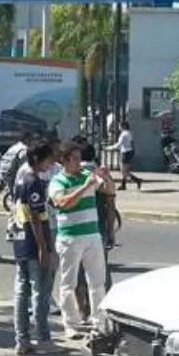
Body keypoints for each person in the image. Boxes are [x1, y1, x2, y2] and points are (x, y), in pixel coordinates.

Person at [49, 141, 115, 339]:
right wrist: (83, 188)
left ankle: (98, 322)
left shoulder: (87, 175)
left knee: (97, 282)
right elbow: (62, 203)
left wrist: (107, 177)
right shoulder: (58, 181)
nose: (79, 163)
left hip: (92, 235)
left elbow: (109, 191)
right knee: (68, 283)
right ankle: (71, 323)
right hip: (69, 238)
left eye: (80, 158)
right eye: (75, 159)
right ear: (64, 161)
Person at [11, 140, 58, 355]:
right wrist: (43, 248)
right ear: (38, 159)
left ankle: (22, 339)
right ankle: (42, 338)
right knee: (40, 292)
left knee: (22, 292)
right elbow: (36, 218)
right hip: (33, 242)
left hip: (20, 242)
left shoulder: (20, 180)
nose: (51, 163)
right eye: (49, 159)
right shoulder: (34, 182)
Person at [105, 121, 143, 190]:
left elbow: (119, 145)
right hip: (129, 152)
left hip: (125, 152)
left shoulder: (124, 134)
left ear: (123, 126)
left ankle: (136, 180)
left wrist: (109, 148)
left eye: (120, 126)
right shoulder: (129, 133)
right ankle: (124, 184)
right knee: (125, 170)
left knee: (123, 171)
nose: (119, 127)